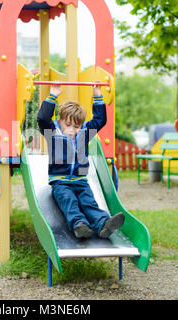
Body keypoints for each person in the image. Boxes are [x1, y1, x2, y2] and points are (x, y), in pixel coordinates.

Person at [37, 84, 125, 239]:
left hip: (81, 181)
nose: (72, 129)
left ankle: (103, 225)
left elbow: (100, 120)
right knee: (69, 201)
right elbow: (43, 118)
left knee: (89, 202)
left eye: (77, 126)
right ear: (60, 121)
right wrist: (52, 95)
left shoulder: (84, 133)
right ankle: (80, 225)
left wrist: (97, 95)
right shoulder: (53, 132)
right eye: (68, 124)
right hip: (60, 182)